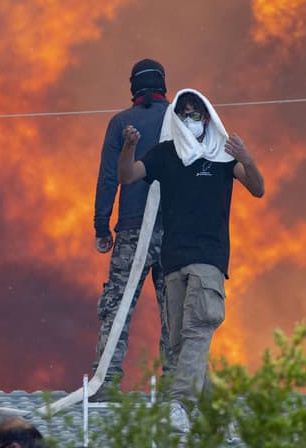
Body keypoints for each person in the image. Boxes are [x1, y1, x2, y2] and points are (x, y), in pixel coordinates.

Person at [117, 89, 265, 433]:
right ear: (176, 118)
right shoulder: (166, 154)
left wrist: (247, 157)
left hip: (208, 259)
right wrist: (128, 146)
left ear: (208, 116)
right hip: (173, 261)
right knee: (183, 343)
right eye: (184, 112)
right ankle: (216, 414)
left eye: (196, 112)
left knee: (200, 325)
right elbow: (128, 176)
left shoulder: (223, 156)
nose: (190, 117)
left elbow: (258, 188)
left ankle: (179, 402)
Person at [91, 58, 173, 398]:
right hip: (175, 233)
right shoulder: (179, 118)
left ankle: (106, 384)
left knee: (118, 308)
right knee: (176, 311)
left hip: (132, 230)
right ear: (163, 85)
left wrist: (101, 225)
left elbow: (110, 177)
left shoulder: (121, 123)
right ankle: (175, 386)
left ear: (133, 88)